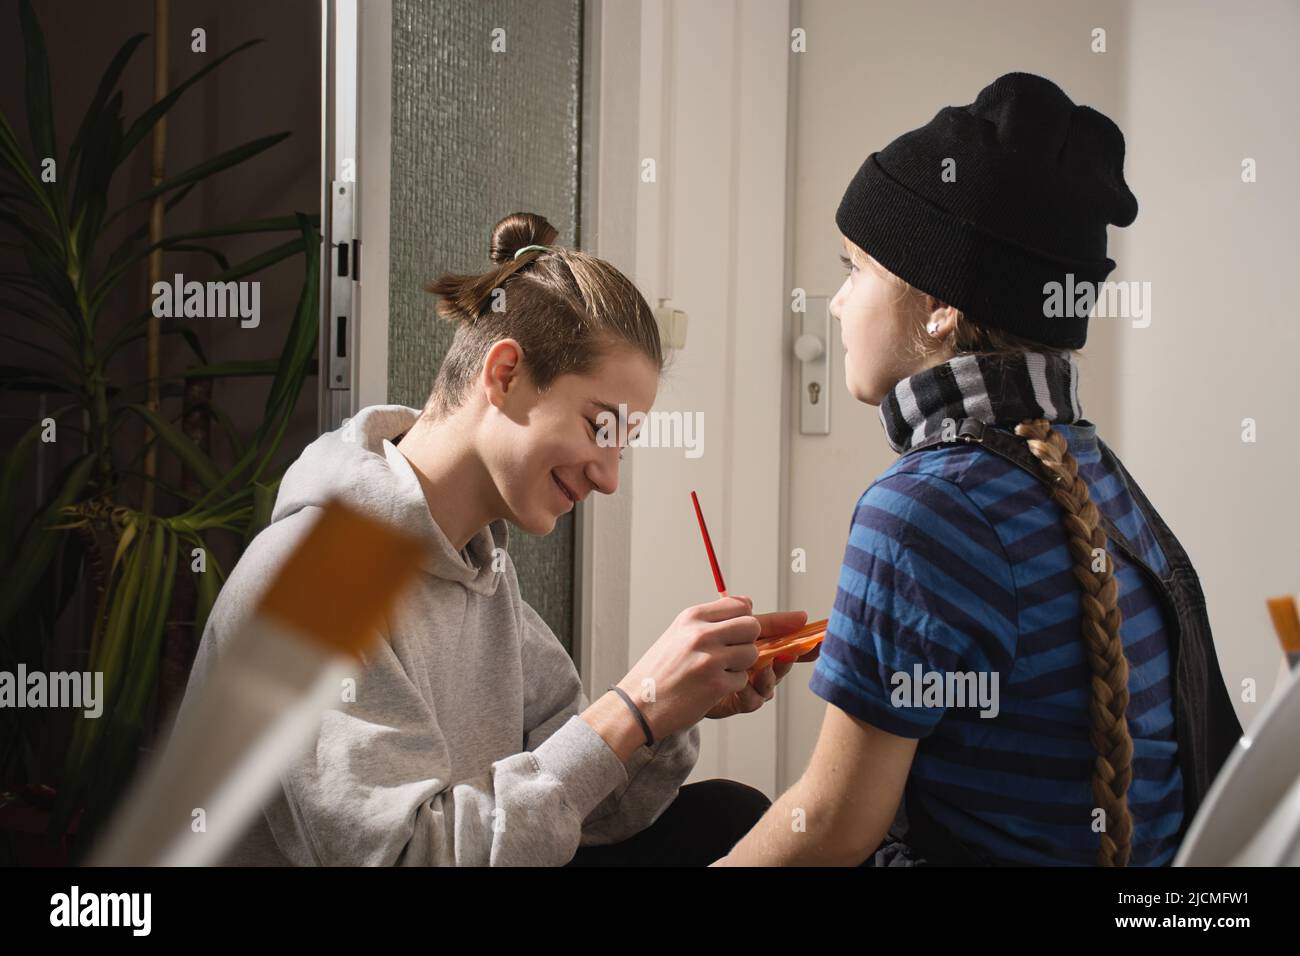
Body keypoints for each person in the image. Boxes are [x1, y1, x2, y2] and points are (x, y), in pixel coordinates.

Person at [717, 72, 1241, 867]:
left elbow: (828, 828)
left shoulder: (923, 508)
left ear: (939, 305)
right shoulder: (1094, 471)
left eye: (853, 268)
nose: (835, 303)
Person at [179, 212, 812, 866]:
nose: (610, 477)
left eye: (624, 445)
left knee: (726, 818)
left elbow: (578, 812)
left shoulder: (483, 576)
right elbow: (404, 858)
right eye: (601, 427)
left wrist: (672, 710)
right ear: (505, 375)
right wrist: (633, 708)